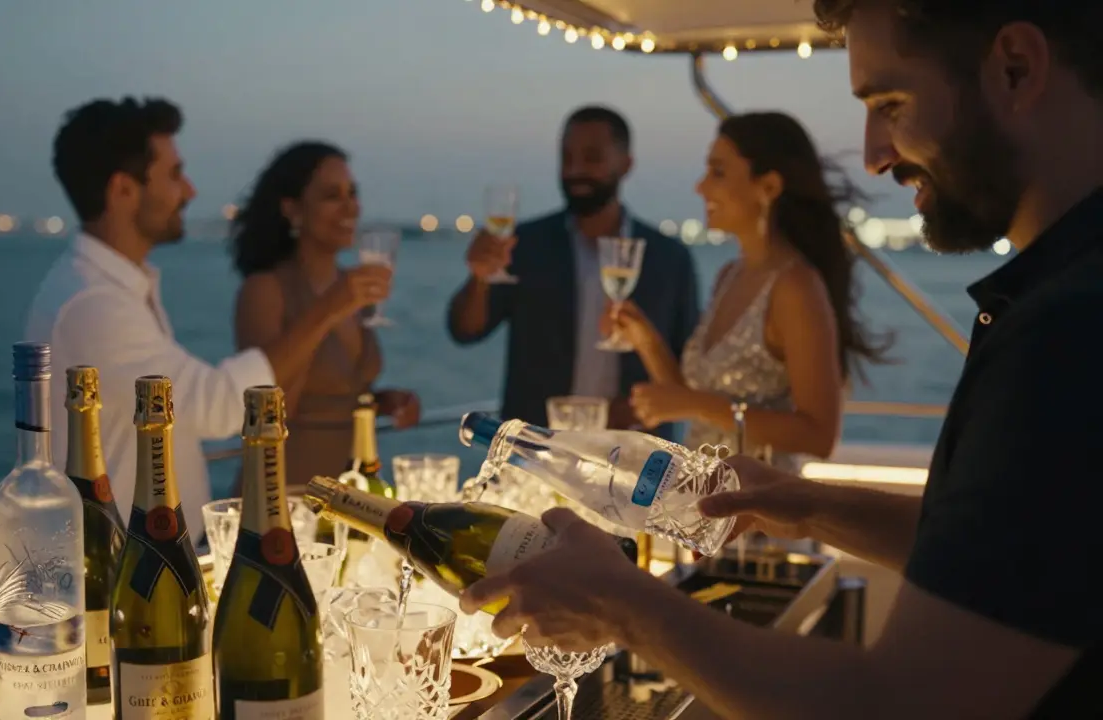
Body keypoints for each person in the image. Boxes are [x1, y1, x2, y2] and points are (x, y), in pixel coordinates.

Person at [460, 0, 1103, 716]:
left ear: (1015, 67)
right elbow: (1010, 553)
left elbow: (903, 704)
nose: (873, 155)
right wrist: (808, 505)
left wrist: (624, 608)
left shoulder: (1069, 332)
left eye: (890, 102)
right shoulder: (1060, 304)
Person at [28, 96, 280, 540]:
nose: (190, 191)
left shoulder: (114, 288)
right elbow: (219, 406)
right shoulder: (93, 305)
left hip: (147, 552)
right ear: (123, 189)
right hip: (120, 569)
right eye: (175, 174)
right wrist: (331, 306)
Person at [608, 112, 892, 472]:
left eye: (718, 172)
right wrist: (645, 339)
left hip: (762, 514)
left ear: (769, 187)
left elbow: (819, 435)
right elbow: (691, 401)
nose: (701, 187)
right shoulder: (730, 275)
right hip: (705, 509)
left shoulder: (795, 287)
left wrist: (694, 404)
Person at [446, 105, 700, 438]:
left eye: (592, 157)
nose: (575, 169)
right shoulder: (526, 245)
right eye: (567, 158)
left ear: (626, 164)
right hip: (536, 453)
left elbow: (691, 371)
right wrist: (479, 277)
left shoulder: (668, 257)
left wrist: (643, 408)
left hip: (637, 457)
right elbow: (465, 331)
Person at [228, 141, 420, 487]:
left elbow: (336, 395)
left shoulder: (350, 289)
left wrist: (381, 401)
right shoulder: (265, 290)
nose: (351, 207)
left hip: (351, 495)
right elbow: (271, 409)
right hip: (283, 495)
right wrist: (330, 308)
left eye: (353, 193)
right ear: (293, 210)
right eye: (333, 196)